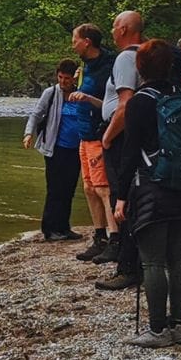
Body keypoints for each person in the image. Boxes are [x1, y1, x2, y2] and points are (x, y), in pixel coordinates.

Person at [112, 40, 181, 348]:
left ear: (139, 67)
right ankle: (178, 325)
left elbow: (130, 152)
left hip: (153, 187)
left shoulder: (140, 102)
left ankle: (157, 330)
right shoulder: (180, 95)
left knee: (153, 262)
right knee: (177, 259)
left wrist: (121, 196)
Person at [94, 10, 146, 290]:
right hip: (137, 137)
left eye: (114, 26)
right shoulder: (148, 53)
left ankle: (128, 266)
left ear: (125, 29)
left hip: (122, 137)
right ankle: (138, 261)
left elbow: (126, 104)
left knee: (122, 200)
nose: (111, 32)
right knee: (133, 197)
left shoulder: (126, 57)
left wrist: (107, 137)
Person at [67, 24, 117, 261]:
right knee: (88, 188)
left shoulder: (109, 66)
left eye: (74, 40)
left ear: (87, 41)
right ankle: (100, 237)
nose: (72, 44)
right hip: (84, 135)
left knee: (103, 189)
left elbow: (112, 105)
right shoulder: (85, 67)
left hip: (99, 134)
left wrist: (87, 97)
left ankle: (115, 238)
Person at [24, 59, 85, 242]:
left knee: (69, 189)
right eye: (60, 77)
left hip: (76, 149)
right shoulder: (51, 93)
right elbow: (36, 114)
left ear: (74, 78)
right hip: (55, 148)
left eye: (67, 78)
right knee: (55, 189)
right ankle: (50, 229)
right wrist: (28, 134)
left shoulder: (82, 94)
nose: (63, 81)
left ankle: (64, 227)